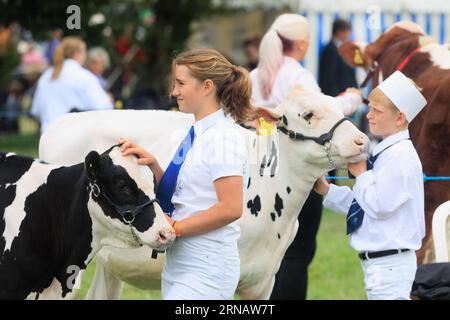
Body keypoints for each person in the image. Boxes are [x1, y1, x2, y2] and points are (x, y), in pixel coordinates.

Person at [119, 48, 251, 300]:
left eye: (180, 83)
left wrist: (176, 228)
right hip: (179, 264)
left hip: (208, 266)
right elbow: (188, 195)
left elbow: (231, 208)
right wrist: (155, 167)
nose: (173, 92)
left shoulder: (223, 138)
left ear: (207, 86)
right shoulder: (194, 132)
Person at [250, 13, 362, 300]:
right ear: (300, 44)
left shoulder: (253, 76)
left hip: (256, 173)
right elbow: (322, 112)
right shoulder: (298, 76)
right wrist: (351, 98)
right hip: (296, 175)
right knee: (297, 254)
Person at [314, 71, 427, 300]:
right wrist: (327, 190)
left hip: (391, 266)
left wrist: (361, 173)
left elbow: (379, 205)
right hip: (382, 265)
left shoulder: (400, 157)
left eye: (377, 110)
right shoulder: (385, 152)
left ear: (399, 117)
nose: (369, 116)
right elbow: (364, 207)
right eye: (370, 108)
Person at [31, 36, 113, 135]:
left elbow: (36, 111)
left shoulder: (46, 76)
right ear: (78, 53)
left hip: (47, 137)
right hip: (73, 137)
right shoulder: (85, 76)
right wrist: (108, 99)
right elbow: (104, 107)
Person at [318, 19, 357, 97]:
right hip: (337, 97)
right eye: (347, 32)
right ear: (339, 32)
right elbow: (329, 78)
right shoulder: (330, 50)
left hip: (346, 95)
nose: (348, 35)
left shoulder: (342, 47)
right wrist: (335, 99)